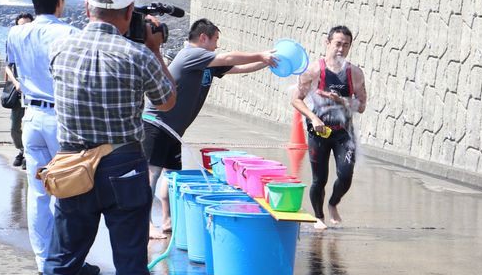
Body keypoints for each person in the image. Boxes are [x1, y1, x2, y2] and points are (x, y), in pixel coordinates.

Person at [37, 0, 176, 275]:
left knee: (60, 266)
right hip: (124, 165)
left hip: (72, 165)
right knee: (130, 266)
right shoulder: (137, 55)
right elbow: (167, 100)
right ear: (130, 11)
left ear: (87, 7)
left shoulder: (60, 49)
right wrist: (153, 48)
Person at [143, 18, 277, 238]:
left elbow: (238, 67)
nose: (216, 45)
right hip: (156, 124)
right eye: (215, 40)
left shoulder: (207, 63)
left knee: (173, 177)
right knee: (152, 175)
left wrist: (267, 61)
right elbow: (228, 57)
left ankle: (167, 220)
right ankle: (145, 224)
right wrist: (260, 53)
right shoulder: (191, 54)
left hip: (174, 130)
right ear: (203, 38)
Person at [5, 0, 100, 275]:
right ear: (61, 1)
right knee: (69, 193)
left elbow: (15, 67)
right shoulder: (70, 34)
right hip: (62, 119)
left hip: (30, 116)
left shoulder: (15, 34)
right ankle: (68, 259)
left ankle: (44, 260)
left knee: (38, 193)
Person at [291, 26, 367, 230]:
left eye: (346, 45)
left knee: (345, 175)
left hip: (344, 133)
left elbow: (361, 106)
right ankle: (319, 216)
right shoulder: (314, 70)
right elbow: (296, 100)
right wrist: (314, 118)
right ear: (328, 43)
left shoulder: (355, 73)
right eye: (338, 44)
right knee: (319, 178)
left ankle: (333, 203)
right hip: (319, 131)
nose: (341, 49)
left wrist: (340, 100)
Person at [4, 12, 34, 170]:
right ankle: (22, 149)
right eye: (20, 25)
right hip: (18, 91)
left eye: (27, 25)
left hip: (34, 92)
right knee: (15, 127)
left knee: (31, 126)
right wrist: (15, 82)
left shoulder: (36, 42)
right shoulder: (12, 42)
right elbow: (8, 65)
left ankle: (28, 155)